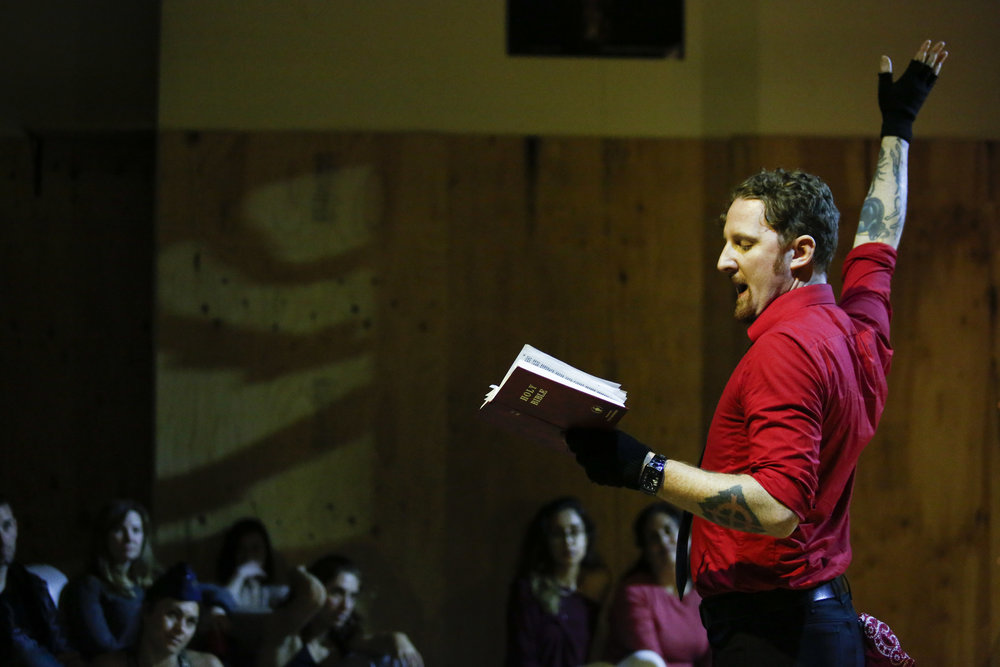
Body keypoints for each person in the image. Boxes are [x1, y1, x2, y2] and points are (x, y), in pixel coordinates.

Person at [565, 40, 948, 666]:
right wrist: (898, 127)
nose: (723, 261)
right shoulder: (856, 329)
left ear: (798, 252)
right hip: (809, 622)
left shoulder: (790, 349)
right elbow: (880, 233)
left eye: (742, 243)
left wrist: (642, 468)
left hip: (776, 636)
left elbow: (776, 506)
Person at [256, 554, 423, 667]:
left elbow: (380, 641)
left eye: (352, 596)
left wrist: (400, 638)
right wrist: (297, 574)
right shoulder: (287, 639)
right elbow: (313, 596)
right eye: (337, 593)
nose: (346, 606)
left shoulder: (343, 641)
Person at [505, 496, 611, 667]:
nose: (568, 541)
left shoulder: (591, 596)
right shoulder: (529, 592)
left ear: (586, 537)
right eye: (557, 533)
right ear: (546, 540)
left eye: (575, 531)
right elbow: (522, 656)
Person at [604, 502, 709, 667]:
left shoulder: (704, 591)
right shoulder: (634, 592)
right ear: (645, 550)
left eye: (669, 530)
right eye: (653, 537)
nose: (663, 541)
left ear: (687, 538)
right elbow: (650, 659)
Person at [60, 498, 159, 659]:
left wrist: (215, 608)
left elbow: (197, 589)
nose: (129, 538)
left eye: (136, 530)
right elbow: (103, 647)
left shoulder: (147, 580)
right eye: (119, 530)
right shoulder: (89, 586)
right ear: (104, 536)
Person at [0, 495, 82, 667]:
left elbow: (61, 645)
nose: (2, 539)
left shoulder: (32, 586)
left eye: (6, 526)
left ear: (15, 527)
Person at [91, 562, 223, 667]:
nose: (181, 629)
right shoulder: (108, 665)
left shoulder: (208, 664)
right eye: (173, 615)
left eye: (190, 622)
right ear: (146, 611)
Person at [216, 518, 288, 612]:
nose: (248, 556)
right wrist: (240, 575)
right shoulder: (226, 589)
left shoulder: (272, 592)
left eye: (255, 549)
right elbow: (221, 608)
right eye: (241, 549)